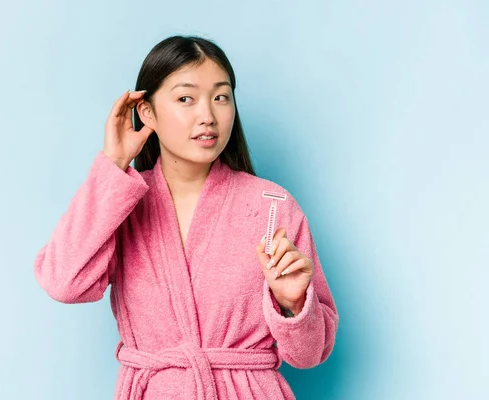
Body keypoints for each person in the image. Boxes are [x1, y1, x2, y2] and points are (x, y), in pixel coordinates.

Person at [34, 35, 339, 400]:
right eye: (185, 99)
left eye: (221, 97)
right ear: (147, 112)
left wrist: (293, 305)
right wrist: (111, 168)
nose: (207, 116)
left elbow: (310, 355)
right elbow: (64, 283)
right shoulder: (121, 205)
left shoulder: (272, 205)